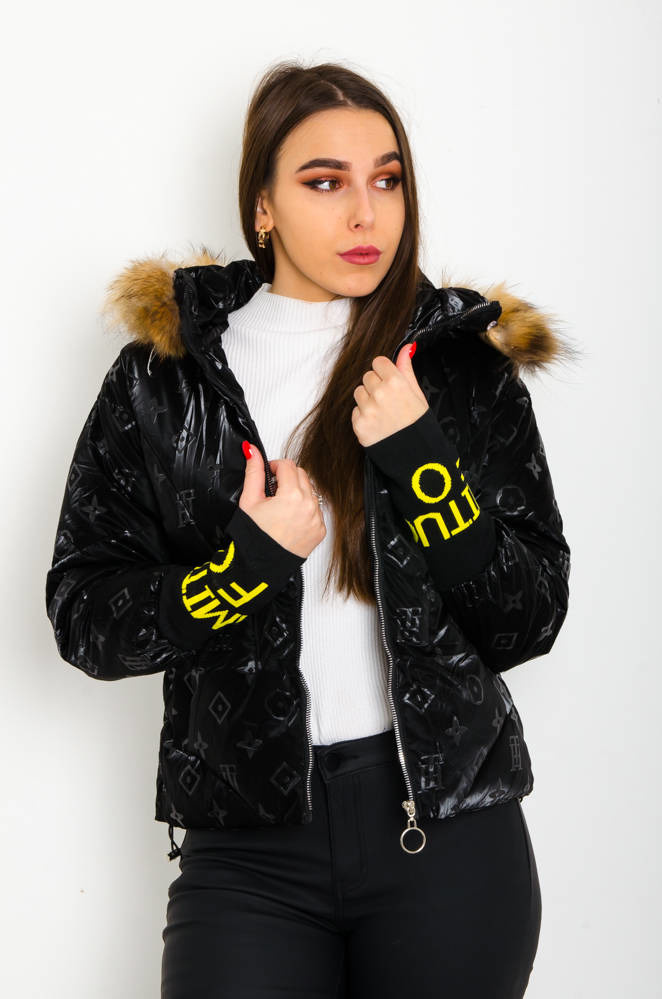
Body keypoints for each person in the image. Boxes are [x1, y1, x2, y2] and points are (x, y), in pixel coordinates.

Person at [45, 60, 577, 999]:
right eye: (325, 183)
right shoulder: (165, 378)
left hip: (445, 833)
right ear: (263, 207)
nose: (365, 213)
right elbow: (85, 615)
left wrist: (421, 459)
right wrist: (243, 567)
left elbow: (527, 618)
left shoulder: (459, 369)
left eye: (387, 179)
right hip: (246, 850)